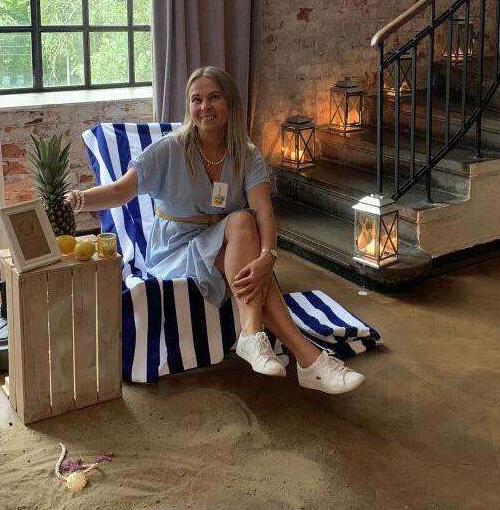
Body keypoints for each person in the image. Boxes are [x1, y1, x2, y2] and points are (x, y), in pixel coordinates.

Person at [68, 66, 364, 394]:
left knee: (244, 224)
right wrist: (77, 200)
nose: (204, 106)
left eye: (214, 97)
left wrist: (268, 256)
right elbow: (120, 191)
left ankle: (258, 338)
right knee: (244, 237)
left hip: (223, 240)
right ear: (189, 106)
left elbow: (264, 210)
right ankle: (307, 358)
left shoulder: (246, 155)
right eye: (196, 100)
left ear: (230, 103)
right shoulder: (170, 149)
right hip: (175, 247)